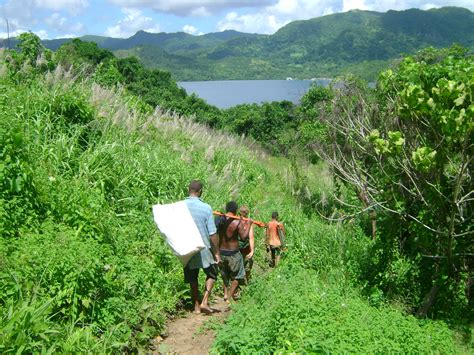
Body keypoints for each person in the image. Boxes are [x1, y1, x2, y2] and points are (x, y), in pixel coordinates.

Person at [183, 180, 221, 314]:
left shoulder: (180, 206)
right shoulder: (206, 208)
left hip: (187, 247)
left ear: (189, 190)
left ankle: (196, 306)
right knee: (212, 273)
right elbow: (212, 233)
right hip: (204, 247)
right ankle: (205, 300)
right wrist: (216, 253)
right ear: (200, 191)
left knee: (192, 277)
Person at [217, 201, 247, 302]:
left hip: (221, 252)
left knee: (225, 274)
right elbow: (243, 237)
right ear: (235, 210)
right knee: (238, 275)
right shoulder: (237, 221)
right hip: (233, 253)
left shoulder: (220, 220)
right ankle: (229, 296)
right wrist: (249, 224)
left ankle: (225, 293)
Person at [238, 205, 255, 283]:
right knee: (245, 266)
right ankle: (244, 281)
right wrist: (252, 250)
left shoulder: (236, 220)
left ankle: (244, 281)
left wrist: (252, 250)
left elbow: (251, 237)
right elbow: (251, 237)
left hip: (242, 248)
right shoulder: (238, 221)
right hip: (240, 248)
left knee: (244, 265)